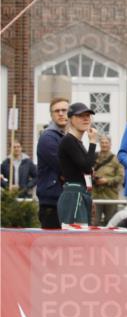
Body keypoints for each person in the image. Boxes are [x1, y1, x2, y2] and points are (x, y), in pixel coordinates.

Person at [57, 103, 97, 227]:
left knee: (81, 238)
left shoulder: (77, 142)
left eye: (88, 116)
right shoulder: (68, 140)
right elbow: (86, 167)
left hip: (80, 193)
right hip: (74, 195)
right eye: (80, 116)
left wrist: (89, 196)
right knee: (75, 238)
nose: (86, 119)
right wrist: (93, 142)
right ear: (71, 119)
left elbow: (87, 169)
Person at [36, 97, 69, 229]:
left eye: (64, 110)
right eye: (57, 111)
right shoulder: (48, 137)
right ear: (51, 115)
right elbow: (64, 167)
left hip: (64, 198)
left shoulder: (67, 136)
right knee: (51, 247)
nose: (61, 113)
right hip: (52, 202)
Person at [92, 136, 125, 225]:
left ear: (110, 144)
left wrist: (107, 180)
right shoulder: (93, 157)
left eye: (106, 143)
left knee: (110, 223)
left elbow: (121, 177)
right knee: (94, 222)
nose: (104, 145)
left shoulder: (116, 159)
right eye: (102, 143)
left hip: (110, 196)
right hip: (96, 196)